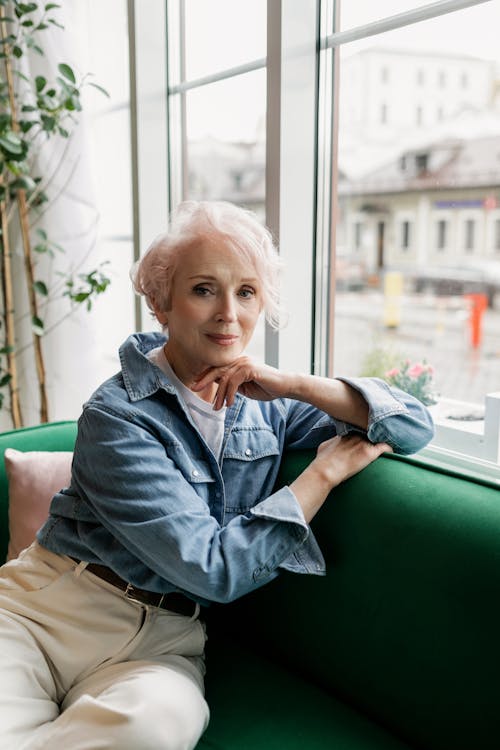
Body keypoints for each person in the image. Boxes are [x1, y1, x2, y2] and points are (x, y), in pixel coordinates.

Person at [0, 200, 434, 750]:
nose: (229, 313)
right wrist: (320, 475)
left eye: (247, 292)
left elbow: (412, 425)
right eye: (204, 289)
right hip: (48, 612)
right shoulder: (116, 416)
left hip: (161, 644)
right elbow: (213, 570)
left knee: (157, 728)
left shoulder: (270, 404)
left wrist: (296, 383)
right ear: (161, 302)